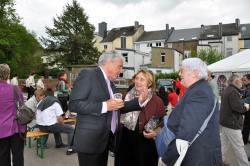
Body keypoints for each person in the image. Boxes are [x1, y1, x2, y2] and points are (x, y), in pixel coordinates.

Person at [69, 51, 148, 166]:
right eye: (120, 67)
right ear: (109, 63)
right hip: (90, 142)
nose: (121, 71)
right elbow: (74, 104)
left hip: (104, 140)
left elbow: (118, 106)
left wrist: (139, 102)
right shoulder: (89, 75)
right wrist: (105, 106)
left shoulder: (110, 83)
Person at [159, 58, 222, 166]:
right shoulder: (199, 89)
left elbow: (187, 131)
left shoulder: (199, 92)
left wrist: (168, 158)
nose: (179, 74)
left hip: (197, 157)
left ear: (194, 73)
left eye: (182, 70)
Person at [116, 69, 166, 166]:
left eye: (142, 79)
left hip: (145, 143)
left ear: (149, 83)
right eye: (137, 78)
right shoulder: (126, 96)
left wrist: (155, 132)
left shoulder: (156, 100)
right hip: (125, 140)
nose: (138, 81)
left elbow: (162, 121)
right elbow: (118, 112)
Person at [220, 74, 250, 166]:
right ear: (236, 81)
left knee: (224, 145)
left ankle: (219, 161)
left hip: (225, 122)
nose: (242, 82)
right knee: (239, 147)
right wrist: (246, 108)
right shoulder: (233, 91)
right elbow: (237, 107)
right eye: (241, 80)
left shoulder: (227, 89)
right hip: (232, 123)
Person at [35, 89, 75, 155]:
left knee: (56, 124)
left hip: (40, 127)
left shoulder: (39, 103)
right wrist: (63, 124)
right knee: (71, 129)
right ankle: (70, 149)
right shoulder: (54, 102)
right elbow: (59, 118)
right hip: (49, 127)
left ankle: (59, 144)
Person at [0, 64, 25, 166]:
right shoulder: (15, 89)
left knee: (2, 157)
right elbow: (22, 106)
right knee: (18, 156)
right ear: (8, 75)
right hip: (16, 128)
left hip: (1, 129)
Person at [242, 74, 250, 145]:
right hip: (247, 108)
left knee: (246, 125)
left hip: (248, 109)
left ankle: (244, 140)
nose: (243, 81)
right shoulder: (246, 87)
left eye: (245, 80)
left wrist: (239, 101)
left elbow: (248, 98)